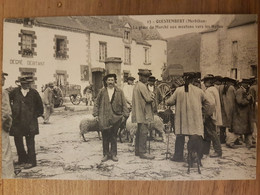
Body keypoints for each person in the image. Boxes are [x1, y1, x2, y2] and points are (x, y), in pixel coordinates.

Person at [166, 72, 214, 162]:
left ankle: (178, 156)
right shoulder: (199, 91)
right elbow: (210, 103)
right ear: (193, 80)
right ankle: (195, 157)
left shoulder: (178, 90)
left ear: (184, 79)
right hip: (194, 119)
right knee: (195, 136)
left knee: (180, 137)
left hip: (182, 120)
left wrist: (168, 102)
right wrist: (204, 111)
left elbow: (169, 102)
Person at [9, 75, 44, 169]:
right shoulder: (14, 92)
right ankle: (22, 159)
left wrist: (33, 116)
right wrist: (12, 112)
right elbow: (6, 102)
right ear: (21, 84)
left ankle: (32, 161)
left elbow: (40, 107)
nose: (27, 85)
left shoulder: (34, 93)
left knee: (30, 142)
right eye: (25, 84)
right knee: (18, 141)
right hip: (17, 122)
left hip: (30, 123)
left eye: (28, 83)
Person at [93, 73, 129, 162]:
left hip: (116, 117)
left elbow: (124, 104)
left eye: (112, 80)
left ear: (114, 81)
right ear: (106, 81)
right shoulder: (102, 91)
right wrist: (96, 114)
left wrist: (125, 115)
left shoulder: (119, 91)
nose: (110, 82)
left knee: (113, 136)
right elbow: (96, 103)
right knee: (105, 136)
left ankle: (113, 154)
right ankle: (105, 154)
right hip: (104, 117)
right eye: (108, 80)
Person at [132, 69, 155, 160]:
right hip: (144, 112)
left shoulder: (136, 85)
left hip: (138, 112)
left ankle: (137, 150)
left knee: (139, 131)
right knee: (144, 132)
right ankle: (143, 152)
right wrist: (152, 95)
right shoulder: (142, 86)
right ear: (141, 77)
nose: (147, 79)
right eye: (146, 77)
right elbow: (148, 99)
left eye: (147, 77)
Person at [229, 79, 255, 148]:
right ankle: (230, 142)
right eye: (246, 83)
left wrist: (250, 98)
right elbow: (239, 101)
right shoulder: (239, 91)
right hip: (240, 114)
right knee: (238, 130)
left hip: (245, 114)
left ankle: (249, 143)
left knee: (247, 130)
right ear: (242, 84)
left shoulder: (246, 90)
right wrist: (248, 99)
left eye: (248, 83)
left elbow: (250, 100)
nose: (248, 85)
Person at [202, 74, 222, 157]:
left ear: (209, 81)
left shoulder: (209, 90)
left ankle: (218, 150)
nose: (204, 83)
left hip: (210, 114)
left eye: (205, 81)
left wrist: (207, 114)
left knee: (212, 132)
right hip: (213, 113)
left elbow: (210, 104)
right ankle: (205, 150)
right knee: (207, 132)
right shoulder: (214, 89)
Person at [2, 72, 15, 178]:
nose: (4, 80)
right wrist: (7, 127)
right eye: (2, 77)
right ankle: (7, 177)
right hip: (1, 127)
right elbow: (6, 113)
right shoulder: (3, 92)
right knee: (5, 153)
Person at [218, 77, 236, 148]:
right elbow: (234, 98)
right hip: (230, 107)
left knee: (223, 124)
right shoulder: (231, 88)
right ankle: (232, 140)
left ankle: (222, 139)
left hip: (222, 107)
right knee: (231, 124)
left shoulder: (220, 87)